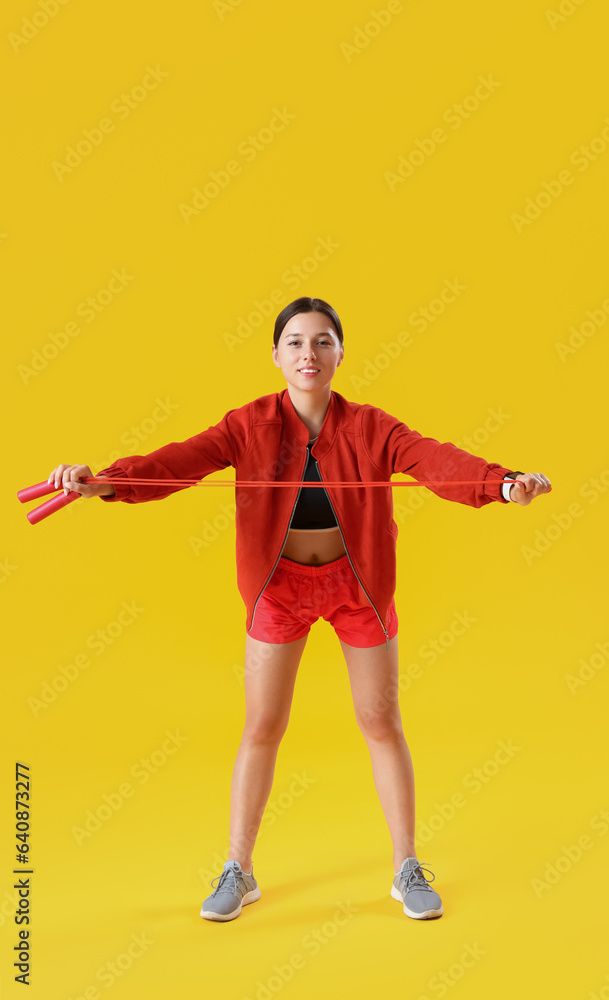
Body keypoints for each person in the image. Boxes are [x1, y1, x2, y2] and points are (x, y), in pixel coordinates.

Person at [47, 296, 551, 923]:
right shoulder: (249, 424)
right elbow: (180, 460)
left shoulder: (372, 427)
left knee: (381, 723)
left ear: (340, 352)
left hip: (358, 586)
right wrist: (110, 481)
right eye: (295, 343)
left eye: (321, 342)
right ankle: (239, 868)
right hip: (278, 588)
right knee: (262, 725)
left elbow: (433, 460)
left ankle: (406, 867)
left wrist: (501, 483)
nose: (308, 354)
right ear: (277, 356)